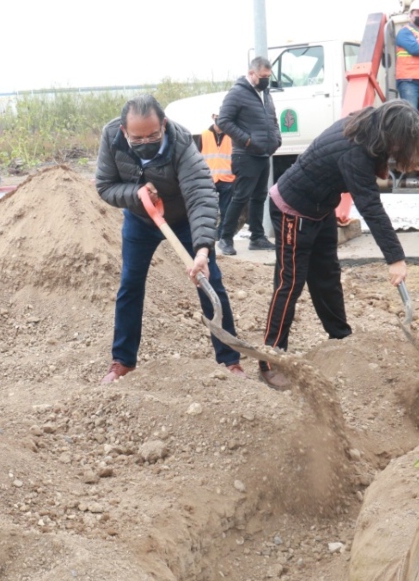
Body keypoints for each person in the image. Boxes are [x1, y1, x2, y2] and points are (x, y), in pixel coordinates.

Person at [258, 101, 417, 390]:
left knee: (328, 278)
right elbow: (370, 206)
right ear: (391, 134)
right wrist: (395, 258)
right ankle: (270, 360)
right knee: (290, 283)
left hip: (320, 208)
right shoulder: (354, 151)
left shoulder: (369, 124)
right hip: (293, 208)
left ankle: (341, 337)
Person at [95, 94, 244, 384]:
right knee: (130, 285)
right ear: (125, 131)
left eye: (153, 134)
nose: (146, 141)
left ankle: (230, 360)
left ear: (163, 123)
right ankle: (122, 361)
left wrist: (202, 249)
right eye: (137, 138)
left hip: (185, 220)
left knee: (209, 281)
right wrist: (136, 194)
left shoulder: (181, 143)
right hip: (141, 219)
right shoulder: (112, 136)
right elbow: (105, 185)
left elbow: (201, 195)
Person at [215, 57, 281, 255]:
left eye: (268, 77)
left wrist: (276, 138)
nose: (266, 80)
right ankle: (225, 238)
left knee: (259, 197)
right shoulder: (237, 93)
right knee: (241, 197)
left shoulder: (265, 94)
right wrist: (247, 141)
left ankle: (257, 237)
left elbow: (272, 119)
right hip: (245, 155)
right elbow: (224, 121)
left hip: (263, 154)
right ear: (252, 73)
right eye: (263, 76)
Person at [198, 113, 236, 246]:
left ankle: (221, 236)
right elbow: (197, 158)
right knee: (208, 210)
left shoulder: (232, 136)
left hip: (227, 179)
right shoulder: (204, 135)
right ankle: (208, 235)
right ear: (213, 118)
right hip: (209, 179)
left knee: (226, 210)